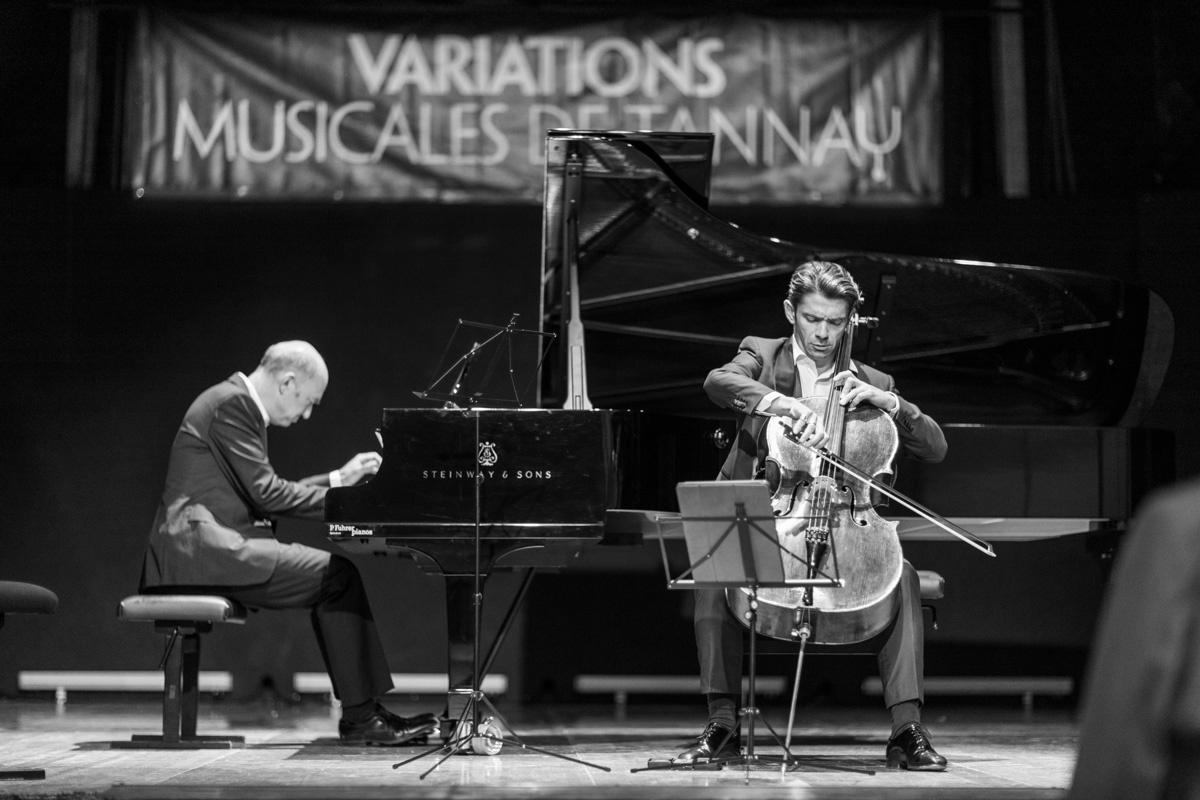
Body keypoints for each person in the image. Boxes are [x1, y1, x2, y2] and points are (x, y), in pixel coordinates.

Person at [677, 260, 949, 770]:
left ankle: (907, 728)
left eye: (835, 322)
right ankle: (722, 723)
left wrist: (892, 403)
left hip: (847, 523)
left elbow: (935, 447)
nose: (823, 333)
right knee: (718, 566)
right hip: (771, 516)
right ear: (790, 311)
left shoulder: (871, 380)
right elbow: (718, 382)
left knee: (904, 576)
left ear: (849, 322)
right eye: (812, 318)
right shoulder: (762, 354)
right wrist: (782, 405)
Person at [140, 340, 436, 746]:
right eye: (308, 401)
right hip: (200, 552)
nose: (307, 414)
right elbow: (266, 494)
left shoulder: (232, 401)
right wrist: (351, 500)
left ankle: (363, 713)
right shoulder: (233, 404)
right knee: (337, 576)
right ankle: (362, 716)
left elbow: (261, 490)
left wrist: (337, 481)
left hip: (207, 548)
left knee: (337, 577)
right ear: (288, 382)